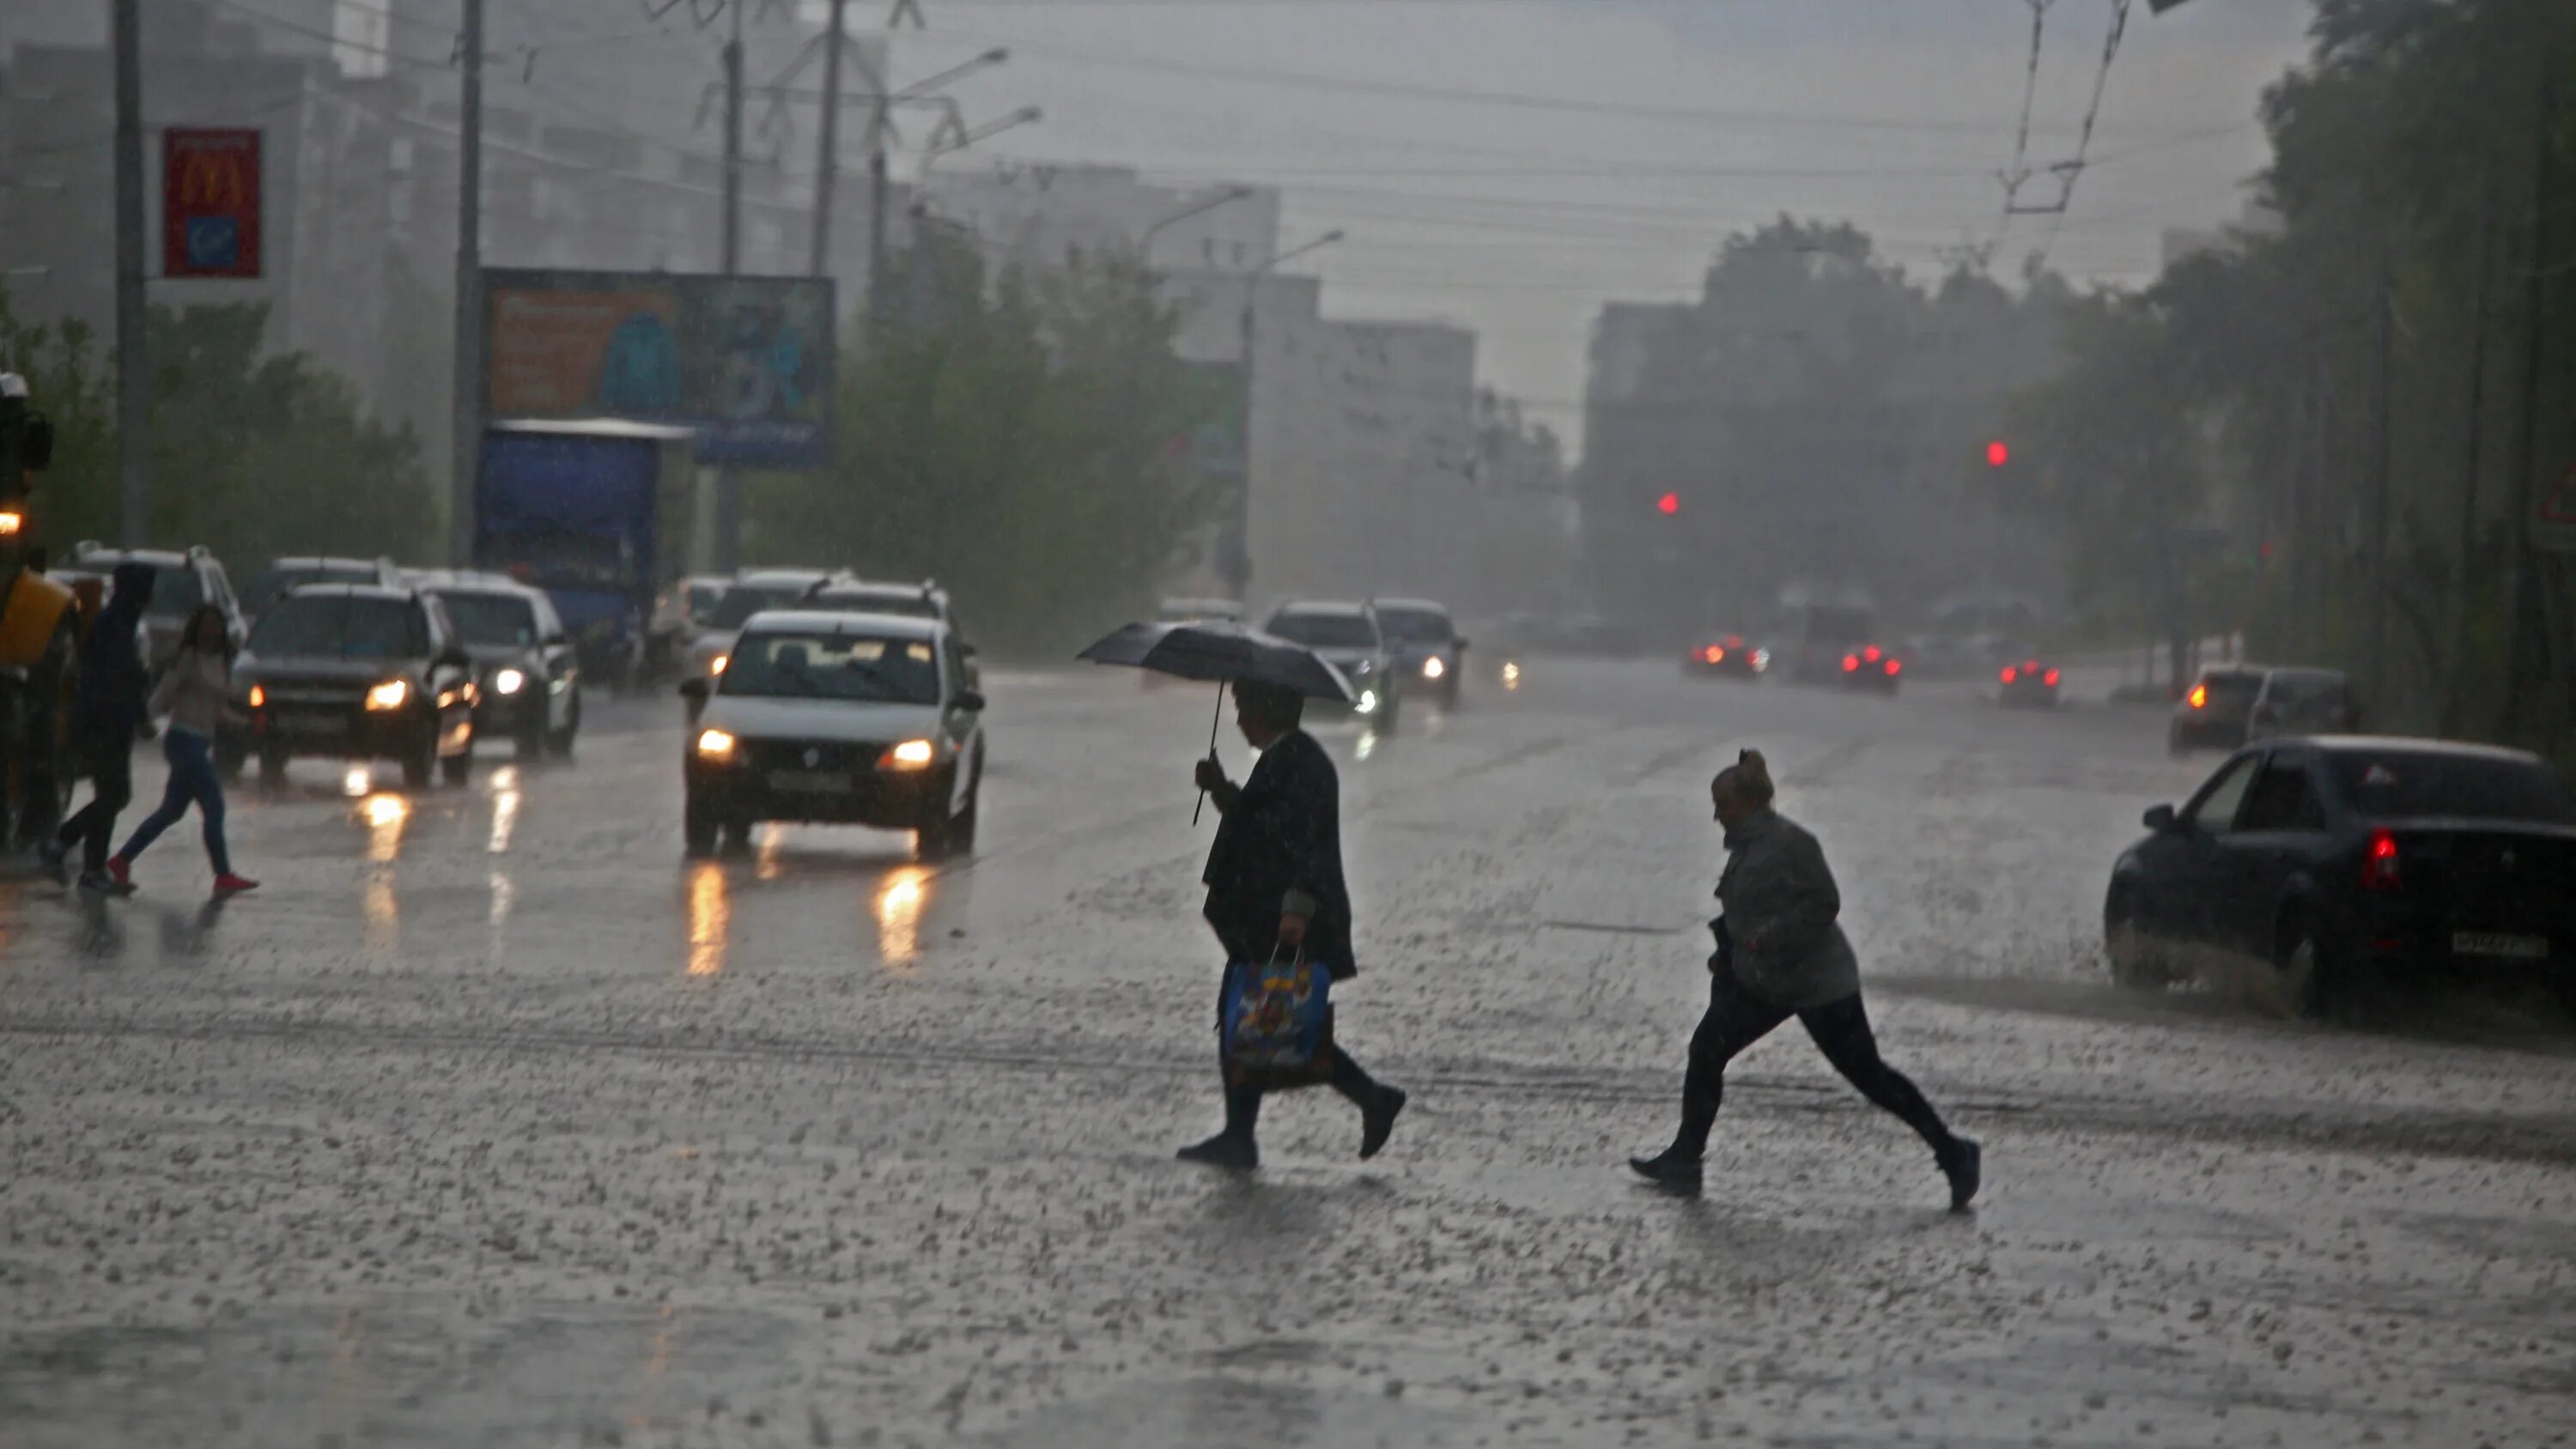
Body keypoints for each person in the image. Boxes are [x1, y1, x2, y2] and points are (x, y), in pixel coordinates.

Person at [1631, 749, 1980, 1209]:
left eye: (1724, 804)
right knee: (1706, 1049)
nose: (1716, 814)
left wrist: (1767, 939)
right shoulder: (1747, 845)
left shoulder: (1791, 843)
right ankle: (1685, 1159)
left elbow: (1824, 904)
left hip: (1821, 985)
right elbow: (1750, 908)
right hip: (1768, 984)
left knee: (1870, 1077)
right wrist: (1730, 954)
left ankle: (1954, 1152)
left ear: (1750, 803)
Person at [1180, 678, 1406, 1170]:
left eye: (1243, 707)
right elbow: (1259, 823)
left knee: (1266, 1018)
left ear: (1266, 709)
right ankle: (1252, 1131)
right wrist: (1220, 789)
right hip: (1265, 914)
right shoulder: (1288, 758)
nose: (1238, 718)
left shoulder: (1299, 763)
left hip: (1281, 916)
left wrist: (1295, 913)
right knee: (1259, 1018)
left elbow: (1303, 845)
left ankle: (1251, 1133)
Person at [106, 603, 258, 899]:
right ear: (196, 628)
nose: (211, 630)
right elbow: (164, 692)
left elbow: (217, 709)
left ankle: (121, 861)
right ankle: (223, 875)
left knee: (171, 811)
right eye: (206, 625)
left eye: (216, 625)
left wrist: (245, 722)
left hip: (200, 742)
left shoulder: (221, 661)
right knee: (214, 804)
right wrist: (144, 721)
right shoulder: (188, 658)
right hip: (182, 741)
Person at [41, 559, 158, 892]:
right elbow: (119, 680)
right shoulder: (114, 625)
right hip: (104, 723)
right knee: (114, 794)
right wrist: (138, 714)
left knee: (112, 794)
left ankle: (71, 849)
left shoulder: (118, 622)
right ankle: (79, 857)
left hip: (108, 723)